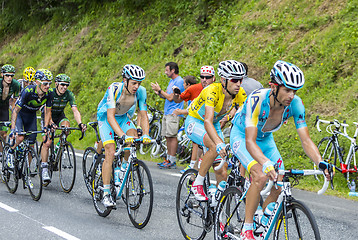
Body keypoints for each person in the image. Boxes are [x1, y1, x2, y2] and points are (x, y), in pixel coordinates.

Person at [230, 60, 332, 240]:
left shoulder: (296, 104)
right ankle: (247, 229)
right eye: (287, 89)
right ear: (273, 87)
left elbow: (306, 140)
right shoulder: (257, 99)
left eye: (294, 91)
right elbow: (250, 141)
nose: (291, 95)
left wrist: (320, 162)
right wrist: (265, 163)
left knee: (280, 180)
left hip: (265, 139)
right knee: (260, 175)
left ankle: (260, 219)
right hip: (242, 136)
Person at [186, 60, 247, 201]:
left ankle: (217, 208)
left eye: (241, 80)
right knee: (214, 146)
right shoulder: (211, 90)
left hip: (215, 125)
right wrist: (219, 143)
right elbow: (207, 120)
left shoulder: (240, 93)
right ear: (224, 80)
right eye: (234, 80)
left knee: (222, 169)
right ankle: (197, 183)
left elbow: (244, 116)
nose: (238, 83)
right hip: (196, 122)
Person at [97, 64, 151, 207]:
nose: (136, 86)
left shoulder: (141, 92)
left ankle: (122, 169)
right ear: (125, 80)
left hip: (123, 118)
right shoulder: (114, 89)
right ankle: (106, 193)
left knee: (133, 137)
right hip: (106, 118)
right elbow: (110, 116)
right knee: (110, 150)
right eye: (134, 83)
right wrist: (121, 135)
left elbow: (143, 115)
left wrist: (146, 134)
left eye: (139, 83)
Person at [40, 73, 87, 183]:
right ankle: (44, 168)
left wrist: (80, 123)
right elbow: (47, 111)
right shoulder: (50, 92)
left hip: (60, 115)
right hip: (47, 116)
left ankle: (58, 146)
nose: (64, 87)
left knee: (66, 126)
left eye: (67, 85)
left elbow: (75, 110)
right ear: (56, 84)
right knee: (47, 142)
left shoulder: (68, 94)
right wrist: (50, 123)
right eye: (62, 85)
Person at [7, 69, 54, 173]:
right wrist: (13, 128)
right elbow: (15, 111)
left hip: (31, 116)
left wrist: (45, 127)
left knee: (31, 144)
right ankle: (10, 152)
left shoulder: (49, 93)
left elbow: (48, 112)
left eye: (50, 83)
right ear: (37, 82)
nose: (48, 86)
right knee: (20, 137)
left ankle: (26, 170)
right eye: (45, 83)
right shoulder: (28, 91)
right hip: (20, 115)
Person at [173, 66, 216, 173]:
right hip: (196, 121)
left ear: (214, 78)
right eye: (202, 77)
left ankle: (195, 172)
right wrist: (175, 95)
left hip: (211, 122)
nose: (205, 80)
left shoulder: (218, 89)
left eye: (208, 77)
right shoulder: (194, 88)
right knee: (199, 144)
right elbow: (178, 100)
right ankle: (194, 169)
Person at [151, 62, 185, 169]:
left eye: (167, 70)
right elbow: (166, 95)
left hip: (174, 112)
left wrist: (160, 90)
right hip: (167, 112)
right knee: (167, 136)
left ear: (173, 70)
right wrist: (159, 92)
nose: (165, 72)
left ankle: (172, 160)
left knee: (172, 136)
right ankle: (168, 159)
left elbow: (171, 97)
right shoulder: (171, 81)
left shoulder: (179, 81)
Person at [0, 64, 21, 142]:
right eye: (7, 75)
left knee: (4, 133)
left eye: (11, 76)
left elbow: (14, 103)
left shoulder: (16, 85)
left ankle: (2, 153)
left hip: (4, 107)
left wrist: (14, 114)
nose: (9, 78)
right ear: (2, 75)